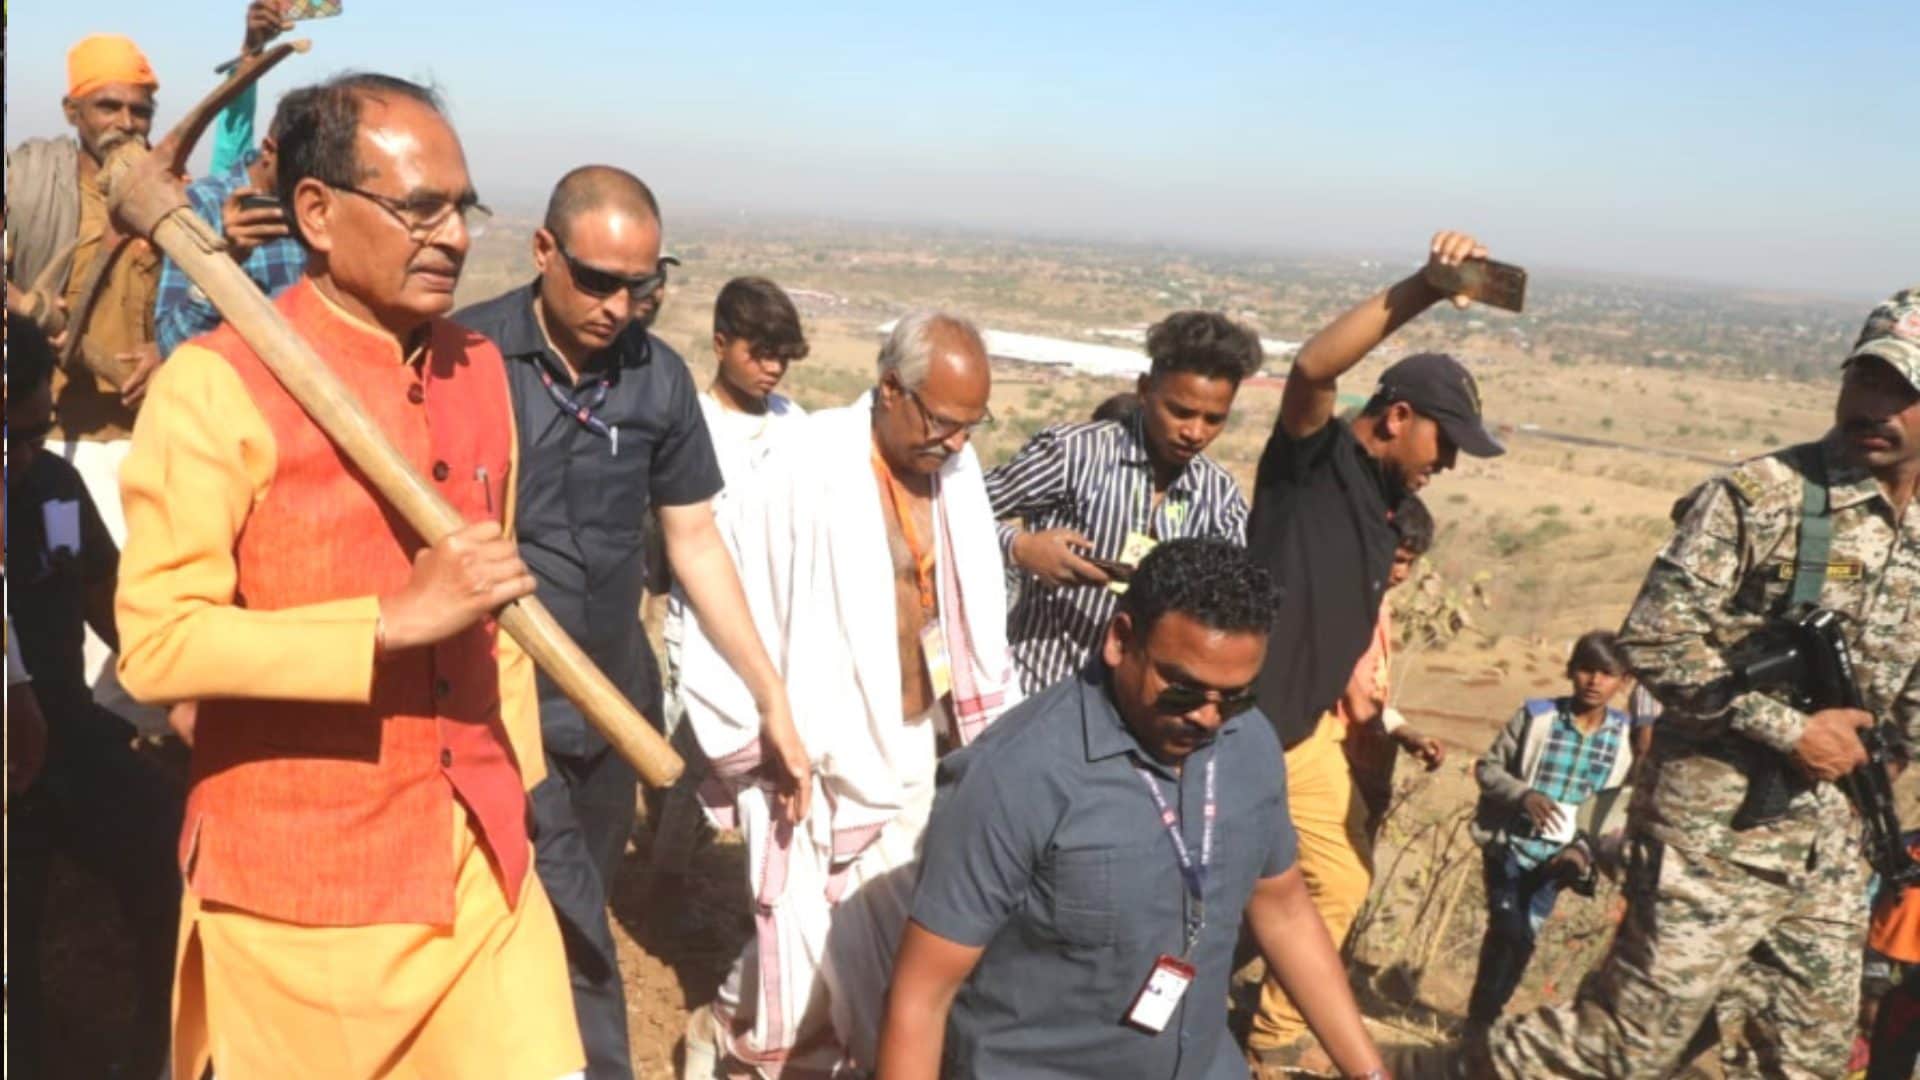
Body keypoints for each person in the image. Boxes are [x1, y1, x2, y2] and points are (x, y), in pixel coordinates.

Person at [115, 73, 583, 1079]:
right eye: (420, 208)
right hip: (303, 896)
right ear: (318, 213)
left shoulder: (478, 369)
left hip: (480, 865)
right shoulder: (213, 386)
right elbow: (155, 643)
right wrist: (386, 623)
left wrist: (525, 797)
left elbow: (490, 616)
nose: (454, 236)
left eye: (463, 207)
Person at [1462, 286, 1920, 1077]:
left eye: (1905, 392)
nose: (1877, 406)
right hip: (1713, 836)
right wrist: (1789, 730)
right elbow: (1655, 637)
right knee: (1623, 1048)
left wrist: (1892, 754)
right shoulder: (1763, 498)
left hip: (1833, 850)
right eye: (1867, 379)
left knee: (1803, 1062)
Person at [456, 167, 801, 1080]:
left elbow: (694, 544)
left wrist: (771, 695)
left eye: (641, 285)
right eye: (597, 280)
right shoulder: (466, 357)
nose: (619, 305)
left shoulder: (660, 379)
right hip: (493, 701)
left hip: (612, 701)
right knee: (507, 906)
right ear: (543, 252)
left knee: (582, 899)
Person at [876, 538, 1390, 1079]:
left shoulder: (1250, 744)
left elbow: (1283, 908)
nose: (1208, 718)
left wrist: (1369, 1073)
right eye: (1183, 690)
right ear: (1121, 640)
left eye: (1235, 695)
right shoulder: (1016, 777)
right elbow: (920, 997)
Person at [677, 311, 1017, 1075]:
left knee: (885, 931)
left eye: (972, 425)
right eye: (944, 422)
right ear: (892, 389)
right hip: (811, 744)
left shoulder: (954, 471)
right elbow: (727, 593)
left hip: (912, 740)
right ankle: (745, 1038)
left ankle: (750, 1024)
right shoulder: (806, 461)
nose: (959, 444)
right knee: (802, 938)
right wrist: (765, 727)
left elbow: (975, 613)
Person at [1243, 230, 1507, 1069]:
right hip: (1242, 726)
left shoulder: (1389, 507)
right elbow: (1314, 370)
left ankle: (1272, 1039)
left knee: (1342, 879)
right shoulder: (1311, 467)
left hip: (1306, 731)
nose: (1451, 464)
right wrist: (1425, 289)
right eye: (1446, 441)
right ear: (1397, 416)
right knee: (1206, 892)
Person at [5, 3, 282, 741]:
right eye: (107, 105)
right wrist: (35, 311)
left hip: (156, 437)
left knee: (156, 598)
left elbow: (199, 296)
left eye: (139, 107)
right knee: (76, 605)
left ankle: (150, 751)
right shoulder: (31, 182)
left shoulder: (176, 193)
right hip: (61, 440)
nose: (124, 120)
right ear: (72, 109)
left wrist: (168, 355)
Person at [6, 317, 183, 1079]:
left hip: (66, 734)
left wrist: (180, 695)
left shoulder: (53, 486)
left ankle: (154, 1047)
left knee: (163, 837)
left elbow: (107, 603)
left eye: (32, 430)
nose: (20, 454)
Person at [987, 310, 1257, 694]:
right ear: (1145, 390)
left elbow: (1228, 602)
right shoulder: (1073, 454)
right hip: (1036, 693)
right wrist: (1021, 547)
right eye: (1180, 412)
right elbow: (954, 510)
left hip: (1137, 718)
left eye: (1213, 419)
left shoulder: (1220, 497)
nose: (1195, 432)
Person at [652, 276, 812, 876]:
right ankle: (665, 885)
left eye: (781, 357)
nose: (772, 369)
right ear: (720, 344)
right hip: (701, 624)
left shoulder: (793, 422)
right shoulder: (690, 423)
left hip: (773, 620)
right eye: (759, 353)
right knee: (694, 757)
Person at [1462, 631, 1634, 1037]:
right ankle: (1478, 1022)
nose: (1594, 681)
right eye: (1587, 670)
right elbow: (1488, 768)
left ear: (1622, 681)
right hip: (1509, 845)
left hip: (1561, 859)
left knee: (1524, 939)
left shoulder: (1625, 739)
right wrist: (1524, 796)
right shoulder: (1537, 717)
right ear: (1571, 671)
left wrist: (1582, 852)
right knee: (1507, 926)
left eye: (1606, 674)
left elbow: (1618, 804)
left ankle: (1484, 1021)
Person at [153, 83, 307, 357]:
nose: (308, 184)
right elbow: (170, 342)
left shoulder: (323, 209)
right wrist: (226, 263)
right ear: (269, 151)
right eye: (300, 167)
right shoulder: (202, 203)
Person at [1338, 494, 1448, 831]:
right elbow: (1346, 692)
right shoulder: (1340, 606)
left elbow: (1372, 694)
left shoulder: (1379, 608)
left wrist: (1406, 733)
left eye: (1410, 563)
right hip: (1332, 759)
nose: (1402, 573)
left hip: (1363, 761)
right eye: (1396, 559)